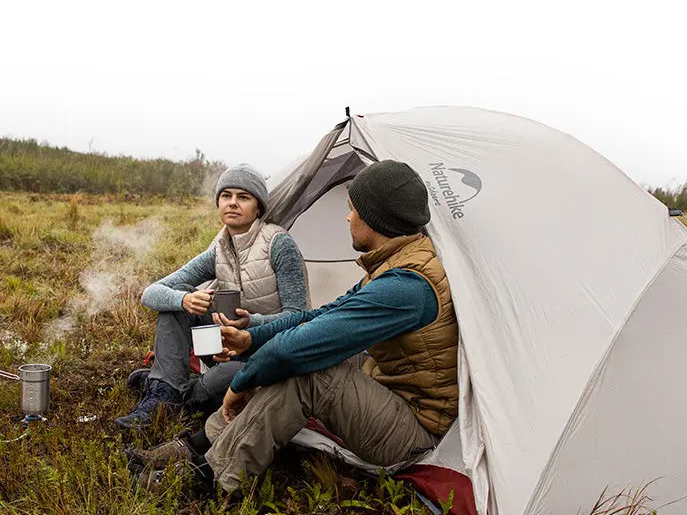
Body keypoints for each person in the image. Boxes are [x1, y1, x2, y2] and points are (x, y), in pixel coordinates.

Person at [132, 160, 458, 494]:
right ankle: (196, 446)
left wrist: (243, 380)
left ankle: (212, 479)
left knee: (307, 371)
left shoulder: (405, 286)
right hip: (388, 386)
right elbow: (319, 316)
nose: (348, 218)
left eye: (352, 209)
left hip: (413, 428)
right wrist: (249, 338)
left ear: (375, 218)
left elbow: (300, 346)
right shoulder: (395, 266)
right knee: (299, 357)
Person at [115, 163, 308, 429]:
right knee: (179, 296)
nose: (232, 203)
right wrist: (184, 301)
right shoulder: (218, 250)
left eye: (243, 197)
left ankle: (171, 391)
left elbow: (299, 317)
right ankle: (165, 394)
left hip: (266, 352)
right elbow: (151, 293)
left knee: (229, 379)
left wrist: (251, 324)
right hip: (225, 349)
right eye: (226, 196)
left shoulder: (279, 245)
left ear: (258, 207)